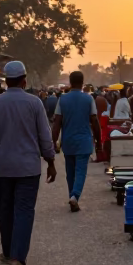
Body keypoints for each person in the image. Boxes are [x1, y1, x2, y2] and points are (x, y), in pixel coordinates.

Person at [0, 61, 57, 265]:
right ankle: (17, 257)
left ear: (5, 81)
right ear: (24, 80)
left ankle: (7, 251)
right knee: (24, 211)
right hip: (28, 168)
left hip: (2, 168)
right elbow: (44, 137)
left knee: (5, 209)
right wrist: (51, 162)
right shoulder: (34, 103)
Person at [52, 70, 99, 212]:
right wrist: (99, 142)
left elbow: (57, 122)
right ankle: (75, 196)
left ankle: (72, 196)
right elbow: (94, 121)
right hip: (84, 141)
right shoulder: (88, 99)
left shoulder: (63, 99)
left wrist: (53, 142)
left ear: (70, 83)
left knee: (70, 172)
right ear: (82, 83)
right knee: (80, 171)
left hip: (68, 141)